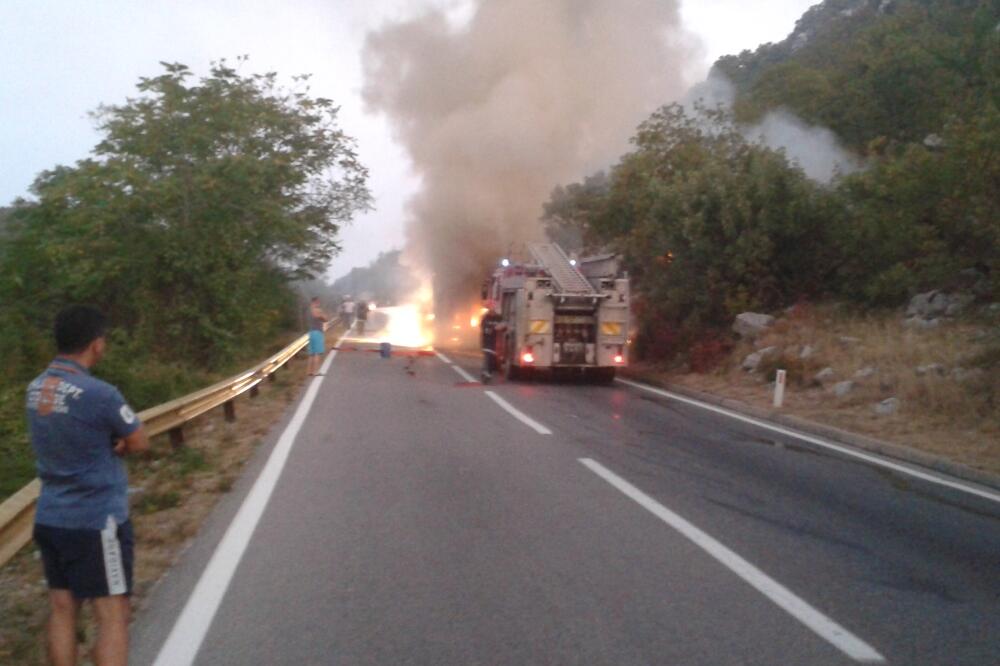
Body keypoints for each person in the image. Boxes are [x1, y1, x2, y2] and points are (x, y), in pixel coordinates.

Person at [27, 305, 148, 666]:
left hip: (50, 516)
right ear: (96, 344)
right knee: (112, 613)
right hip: (97, 521)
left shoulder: (35, 389)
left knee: (62, 609)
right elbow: (140, 441)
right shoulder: (101, 394)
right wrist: (122, 444)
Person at [480, 309, 504, 380]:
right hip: (487, 342)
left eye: (493, 311)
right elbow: (485, 329)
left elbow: (504, 325)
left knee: (492, 359)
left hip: (494, 343)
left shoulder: (498, 318)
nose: (492, 313)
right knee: (487, 357)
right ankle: (485, 372)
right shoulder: (485, 319)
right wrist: (494, 328)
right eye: (491, 312)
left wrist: (502, 326)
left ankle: (488, 373)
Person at [307, 297, 329, 376]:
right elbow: (326, 319)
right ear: (316, 302)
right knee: (317, 353)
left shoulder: (309, 310)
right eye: (318, 302)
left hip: (311, 332)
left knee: (311, 354)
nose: (319, 303)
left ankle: (309, 371)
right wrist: (323, 314)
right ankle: (316, 371)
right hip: (318, 332)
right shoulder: (317, 310)